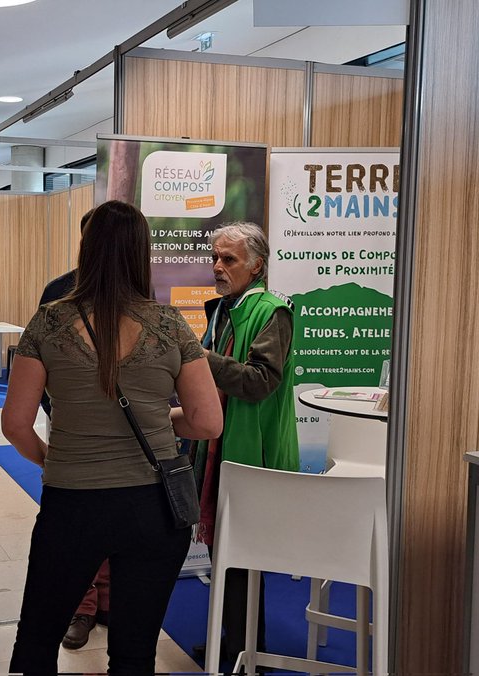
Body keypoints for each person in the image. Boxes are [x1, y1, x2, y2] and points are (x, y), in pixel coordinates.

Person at [3, 200, 223, 674]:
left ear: (87, 249)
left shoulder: (49, 321)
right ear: (142, 253)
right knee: (135, 651)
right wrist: (159, 422)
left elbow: (15, 425)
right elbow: (207, 422)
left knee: (37, 642)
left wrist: (53, 459)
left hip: (73, 501)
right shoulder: (170, 325)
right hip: (154, 507)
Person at [194, 221, 300, 664]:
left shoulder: (272, 311)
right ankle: (234, 643)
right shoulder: (221, 309)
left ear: (257, 265)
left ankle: (245, 653)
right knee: (227, 556)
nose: (218, 266)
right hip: (221, 445)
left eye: (229, 259)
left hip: (252, 453)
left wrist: (200, 359)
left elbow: (259, 382)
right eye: (215, 257)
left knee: (244, 561)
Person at [35, 209, 110, 651]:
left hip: (123, 437)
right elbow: (37, 366)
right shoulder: (58, 293)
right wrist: (58, 416)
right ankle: (81, 608)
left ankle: (107, 602)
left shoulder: (139, 293)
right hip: (71, 429)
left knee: (114, 522)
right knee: (76, 527)